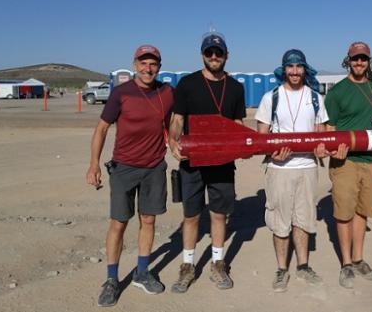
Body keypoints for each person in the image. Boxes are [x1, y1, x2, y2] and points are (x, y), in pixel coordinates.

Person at [85, 45, 174, 307]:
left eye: (154, 64)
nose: (148, 68)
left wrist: (178, 143)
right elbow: (101, 129)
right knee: (118, 223)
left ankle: (142, 272)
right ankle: (112, 279)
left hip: (154, 167)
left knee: (148, 220)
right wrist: (94, 165)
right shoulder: (121, 93)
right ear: (135, 64)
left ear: (159, 66)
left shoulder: (167, 93)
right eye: (144, 63)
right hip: (124, 167)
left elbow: (174, 123)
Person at [168, 32, 246, 293]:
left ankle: (217, 262)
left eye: (218, 52)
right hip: (193, 160)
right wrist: (173, 142)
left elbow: (237, 124)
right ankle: (187, 266)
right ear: (202, 54)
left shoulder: (235, 88)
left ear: (226, 55)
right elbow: (178, 119)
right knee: (191, 215)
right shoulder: (187, 84)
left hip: (222, 162)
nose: (214, 57)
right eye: (209, 52)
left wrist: (243, 144)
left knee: (218, 214)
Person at [254, 49, 330, 292]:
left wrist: (321, 150)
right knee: (280, 220)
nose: (295, 71)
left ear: (305, 69)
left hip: (307, 168)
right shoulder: (271, 98)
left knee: (304, 219)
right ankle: (281, 269)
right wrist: (272, 153)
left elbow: (322, 133)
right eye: (290, 67)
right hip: (280, 169)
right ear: (284, 70)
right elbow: (261, 136)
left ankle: (303, 266)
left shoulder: (316, 97)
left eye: (299, 67)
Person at [324, 41, 372, 289]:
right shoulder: (337, 92)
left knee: (363, 211)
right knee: (344, 213)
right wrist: (334, 152)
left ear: (369, 61)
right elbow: (330, 130)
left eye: (363, 59)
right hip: (345, 162)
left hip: (371, 162)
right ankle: (346, 264)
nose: (359, 63)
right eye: (355, 58)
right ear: (347, 60)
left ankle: (359, 258)